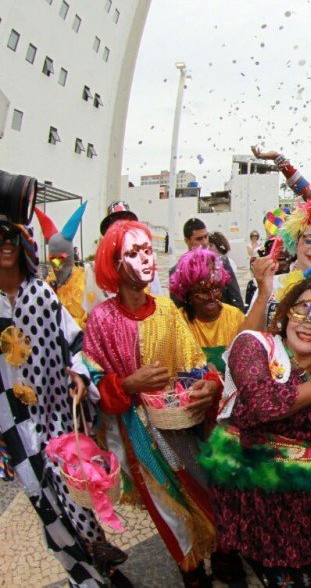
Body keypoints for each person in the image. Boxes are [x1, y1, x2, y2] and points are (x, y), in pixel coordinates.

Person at [200, 273, 311, 587]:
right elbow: (262, 405)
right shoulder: (254, 345)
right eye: (302, 309)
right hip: (260, 502)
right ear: (285, 312)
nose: (310, 322)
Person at [82, 220, 223, 587]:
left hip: (181, 426)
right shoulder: (100, 319)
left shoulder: (166, 311)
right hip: (136, 436)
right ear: (113, 264)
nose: (145, 257)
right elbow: (92, 382)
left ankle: (221, 557)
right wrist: (127, 384)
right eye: (133, 252)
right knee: (169, 509)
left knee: (204, 492)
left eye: (148, 249)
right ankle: (192, 573)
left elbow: (196, 365)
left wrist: (209, 386)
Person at [0, 218, 131, 587]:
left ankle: (101, 563)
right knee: (46, 507)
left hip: (59, 414)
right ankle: (87, 578)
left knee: (77, 497)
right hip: (15, 426)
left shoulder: (41, 293)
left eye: (11, 237)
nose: (6, 244)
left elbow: (74, 341)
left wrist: (78, 375)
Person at [243, 197, 311, 333]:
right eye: (309, 240)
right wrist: (263, 295)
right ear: (295, 243)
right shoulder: (271, 285)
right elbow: (245, 339)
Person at [169, 248, 245, 375]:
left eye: (215, 288)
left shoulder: (235, 317)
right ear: (188, 293)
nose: (211, 297)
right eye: (203, 291)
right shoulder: (178, 322)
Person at [171, 219, 245, 313]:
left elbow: (236, 300)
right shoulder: (177, 271)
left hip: (224, 319)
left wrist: (239, 319)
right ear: (187, 241)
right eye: (199, 239)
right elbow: (178, 311)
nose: (205, 242)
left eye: (206, 237)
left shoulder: (222, 263)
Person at [34, 203, 89, 328]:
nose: (56, 265)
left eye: (61, 258)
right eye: (53, 259)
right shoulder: (48, 285)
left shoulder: (84, 283)